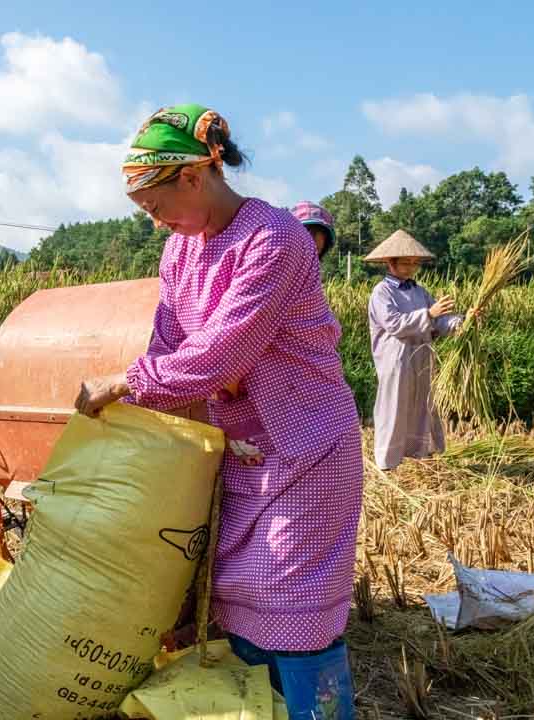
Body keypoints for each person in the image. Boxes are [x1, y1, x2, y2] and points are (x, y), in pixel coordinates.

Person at [75, 104, 363, 720]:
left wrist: (124, 383)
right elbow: (169, 346)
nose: (155, 222)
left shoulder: (274, 239)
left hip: (306, 446)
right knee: (237, 592)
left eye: (155, 206)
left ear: (192, 177)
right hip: (240, 450)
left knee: (292, 594)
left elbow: (220, 353)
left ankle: (318, 710)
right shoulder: (178, 254)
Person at [364, 230, 480, 471]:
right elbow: (394, 324)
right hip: (396, 360)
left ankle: (420, 455)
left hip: (423, 358)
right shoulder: (382, 292)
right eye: (406, 263)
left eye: (415, 263)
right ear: (390, 262)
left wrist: (464, 320)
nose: (411, 268)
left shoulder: (419, 292)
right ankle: (387, 464)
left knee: (423, 406)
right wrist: (428, 314)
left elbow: (440, 322)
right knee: (394, 407)